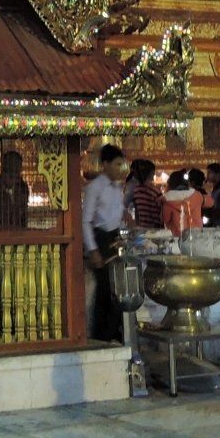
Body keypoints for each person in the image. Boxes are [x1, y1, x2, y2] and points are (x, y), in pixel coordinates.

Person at [81, 145, 131, 341]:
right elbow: (86, 221)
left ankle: (116, 331)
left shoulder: (117, 187)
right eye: (117, 164)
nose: (121, 168)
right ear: (105, 164)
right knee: (104, 290)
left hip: (115, 239)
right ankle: (101, 335)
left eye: (122, 164)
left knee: (119, 287)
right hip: (100, 239)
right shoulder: (95, 188)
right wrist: (93, 250)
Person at [161, 168, 203, 237]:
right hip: (196, 235)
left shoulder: (168, 199)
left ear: (170, 183)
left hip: (177, 237)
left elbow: (166, 219)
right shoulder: (197, 195)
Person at [128, 158, 163, 229]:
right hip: (156, 229)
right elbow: (161, 214)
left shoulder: (136, 190)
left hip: (143, 228)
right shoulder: (156, 192)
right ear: (152, 173)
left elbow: (137, 212)